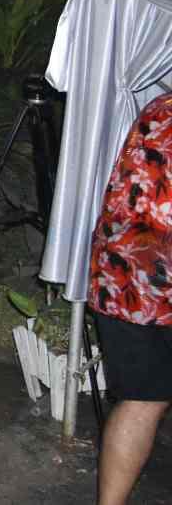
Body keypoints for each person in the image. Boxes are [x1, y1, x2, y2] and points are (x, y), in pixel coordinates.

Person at [89, 91, 172, 505]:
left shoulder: (161, 108)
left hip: (122, 280)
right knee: (144, 400)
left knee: (142, 400)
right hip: (150, 284)